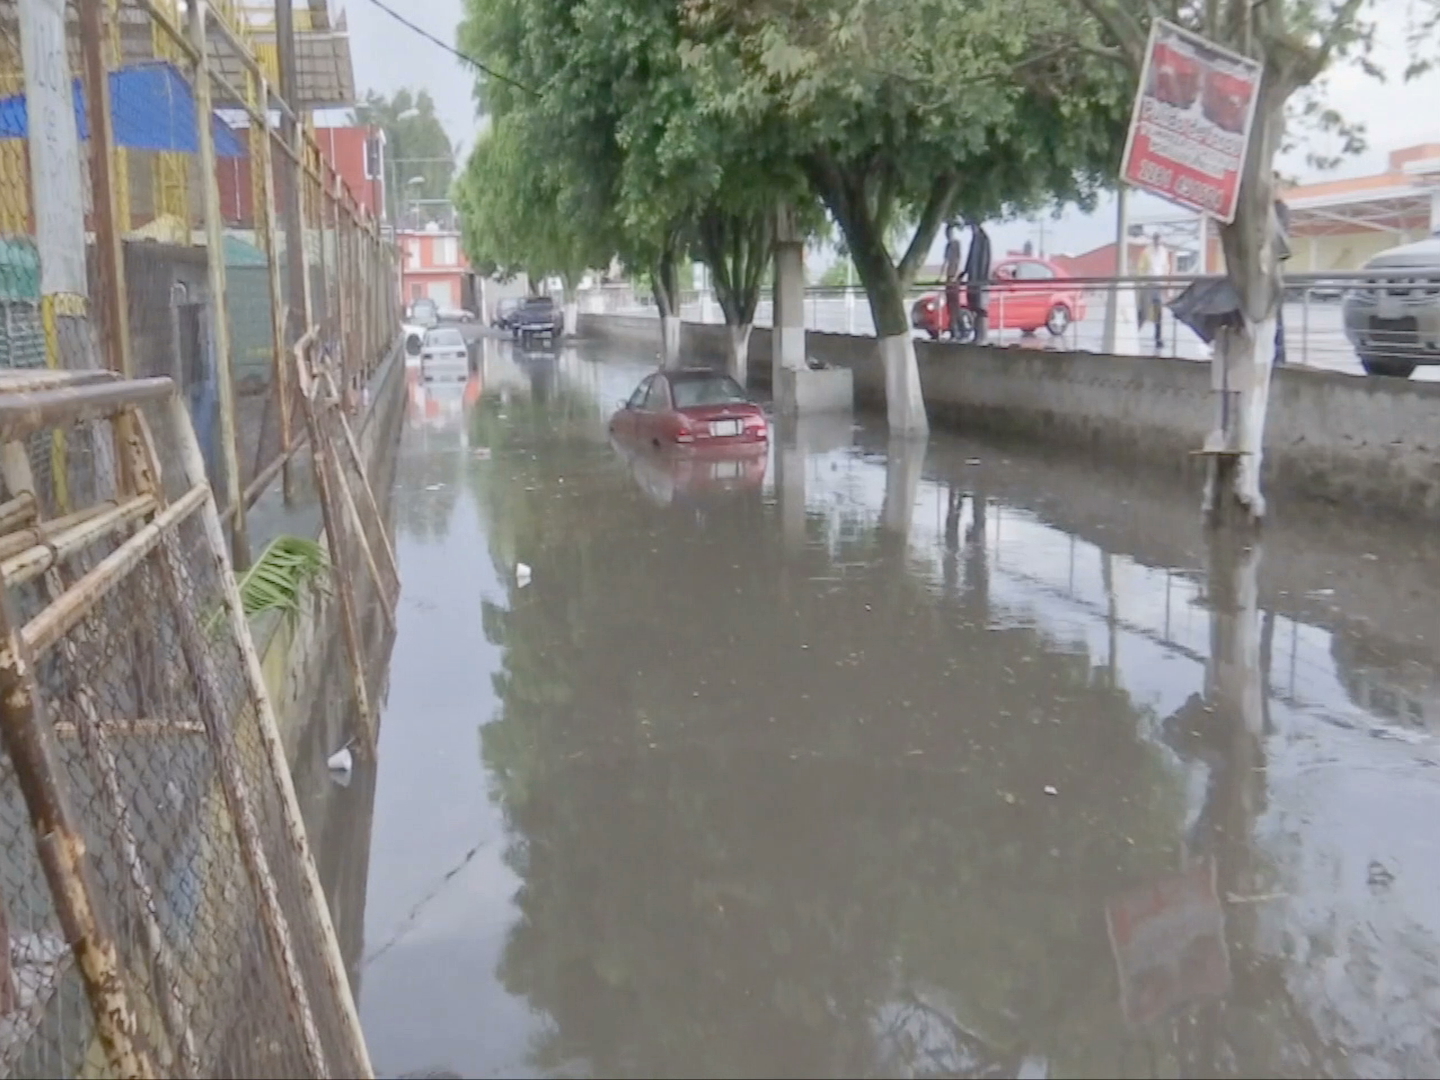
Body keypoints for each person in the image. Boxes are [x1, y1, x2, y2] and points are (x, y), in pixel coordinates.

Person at [1137, 232, 1172, 350]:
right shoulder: (1147, 252)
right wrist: (1143, 283)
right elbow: (1141, 269)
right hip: (1148, 284)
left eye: (1158, 239)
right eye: (1156, 239)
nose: (1157, 241)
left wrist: (1166, 284)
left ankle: (1158, 338)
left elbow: (1166, 268)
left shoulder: (1163, 252)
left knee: (1158, 312)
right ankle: (1134, 333)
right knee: (1144, 312)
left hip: (1159, 285)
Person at [963, 219, 993, 344]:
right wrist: (964, 272)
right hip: (972, 279)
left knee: (981, 309)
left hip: (980, 280)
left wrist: (983, 280)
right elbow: (970, 259)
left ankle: (982, 336)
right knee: (974, 307)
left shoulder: (984, 239)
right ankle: (977, 335)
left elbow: (985, 261)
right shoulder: (974, 239)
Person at [942, 222, 965, 340]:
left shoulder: (956, 244)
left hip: (954, 277)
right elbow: (945, 262)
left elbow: (958, 259)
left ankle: (960, 329)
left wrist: (955, 276)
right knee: (950, 305)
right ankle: (954, 330)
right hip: (949, 277)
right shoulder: (948, 245)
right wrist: (941, 276)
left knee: (955, 305)